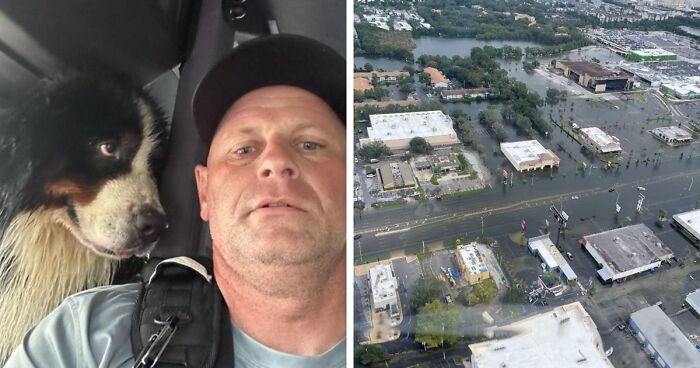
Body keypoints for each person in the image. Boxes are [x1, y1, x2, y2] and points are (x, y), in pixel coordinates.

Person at [5, 34, 346, 367]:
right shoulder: (83, 337)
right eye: (244, 149)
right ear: (204, 190)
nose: (275, 161)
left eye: (310, 144)